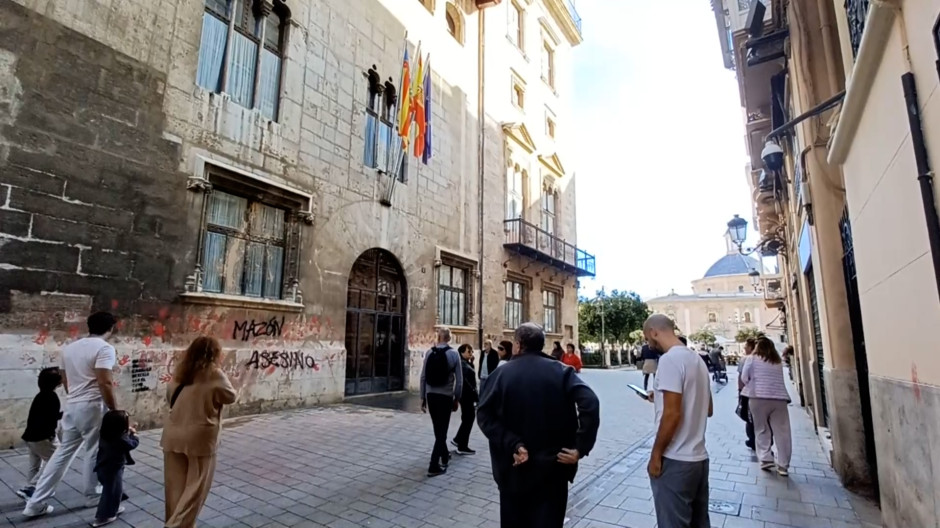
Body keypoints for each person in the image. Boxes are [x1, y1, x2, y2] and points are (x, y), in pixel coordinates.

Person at [477, 322, 600, 528]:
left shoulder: (499, 375)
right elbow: (590, 402)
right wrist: (581, 447)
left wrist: (513, 444)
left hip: (514, 468)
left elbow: (484, 415)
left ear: (517, 345)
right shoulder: (562, 372)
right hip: (553, 467)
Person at [24, 312, 119, 518]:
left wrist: (75, 398)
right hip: (93, 405)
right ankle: (92, 495)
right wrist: (114, 409)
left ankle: (36, 502)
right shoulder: (105, 348)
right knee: (93, 450)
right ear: (110, 328)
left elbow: (66, 380)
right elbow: (105, 382)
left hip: (73, 405)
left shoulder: (70, 348)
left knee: (62, 453)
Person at [643, 314, 712, 528]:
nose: (648, 343)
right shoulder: (696, 359)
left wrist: (656, 455)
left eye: (647, 338)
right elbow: (707, 408)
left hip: (676, 459)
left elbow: (672, 415)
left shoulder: (669, 360)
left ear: (655, 332)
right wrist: (661, 396)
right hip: (698, 459)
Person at [162, 336, 237, 528]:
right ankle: (175, 526)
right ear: (214, 354)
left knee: (175, 487)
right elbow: (230, 397)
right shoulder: (214, 373)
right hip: (199, 438)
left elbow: (169, 397)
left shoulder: (180, 372)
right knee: (196, 489)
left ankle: (176, 522)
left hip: (173, 434)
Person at [740, 337, 792, 476]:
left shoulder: (751, 359)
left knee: (761, 428)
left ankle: (765, 458)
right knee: (782, 431)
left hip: (758, 397)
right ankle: (783, 465)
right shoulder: (777, 361)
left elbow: (744, 378)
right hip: (779, 398)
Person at [420, 328, 463, 477]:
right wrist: (456, 398)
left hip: (431, 395)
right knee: (442, 432)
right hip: (445, 396)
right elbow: (459, 381)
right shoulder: (454, 354)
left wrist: (422, 398)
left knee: (438, 429)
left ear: (438, 338)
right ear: (449, 339)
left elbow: (423, 377)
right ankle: (433, 465)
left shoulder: (429, 353)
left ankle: (444, 455)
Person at [17, 367, 64, 500]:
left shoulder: (41, 395)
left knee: (35, 464)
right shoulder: (52, 397)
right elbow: (50, 419)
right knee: (55, 461)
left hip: (31, 436)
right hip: (42, 438)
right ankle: (31, 488)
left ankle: (31, 490)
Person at [93, 410, 139, 527]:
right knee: (111, 491)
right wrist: (134, 435)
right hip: (113, 469)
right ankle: (104, 516)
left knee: (113, 489)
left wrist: (128, 431)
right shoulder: (120, 439)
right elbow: (131, 444)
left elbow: (121, 437)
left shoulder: (105, 434)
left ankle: (115, 506)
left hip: (103, 467)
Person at [452, 344, 479, 455]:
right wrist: (476, 396)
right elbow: (468, 383)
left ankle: (458, 439)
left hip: (466, 395)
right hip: (466, 395)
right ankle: (462, 446)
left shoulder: (465, 363)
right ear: (462, 352)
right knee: (469, 418)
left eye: (472, 351)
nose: (471, 354)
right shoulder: (462, 365)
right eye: (469, 352)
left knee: (467, 418)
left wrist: (471, 362)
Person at [738, 338, 757, 449]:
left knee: (749, 417)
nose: (744, 348)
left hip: (748, 393)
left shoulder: (745, 359)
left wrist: (740, 391)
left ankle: (752, 439)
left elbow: (741, 377)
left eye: (746, 346)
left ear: (750, 347)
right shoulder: (766, 359)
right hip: (762, 394)